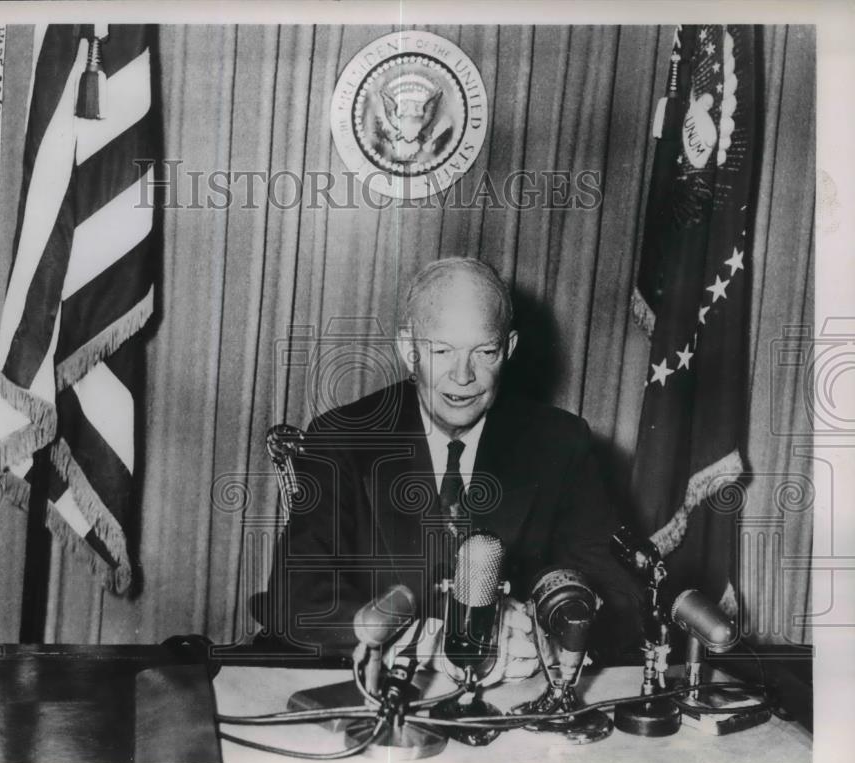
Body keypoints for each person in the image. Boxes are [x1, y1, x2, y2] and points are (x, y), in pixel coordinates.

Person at [262, 257, 642, 675]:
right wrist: (424, 643)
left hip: (512, 700)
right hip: (380, 696)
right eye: (441, 351)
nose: (464, 376)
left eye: (485, 352)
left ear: (509, 349)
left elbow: (618, 592)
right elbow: (295, 598)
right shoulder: (344, 438)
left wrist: (547, 635)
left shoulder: (560, 442)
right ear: (408, 349)